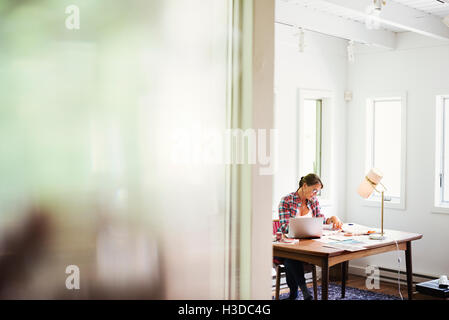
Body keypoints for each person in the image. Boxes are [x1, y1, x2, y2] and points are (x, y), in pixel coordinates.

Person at [276, 173, 343, 300]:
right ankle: (305, 292)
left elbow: (320, 220)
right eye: (314, 190)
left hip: (307, 246)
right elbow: (284, 227)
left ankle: (294, 295)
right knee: (291, 257)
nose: (315, 194)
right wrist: (298, 232)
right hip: (285, 245)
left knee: (291, 259)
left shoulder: (313, 201)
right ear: (305, 185)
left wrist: (333, 219)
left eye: (317, 192)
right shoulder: (286, 200)